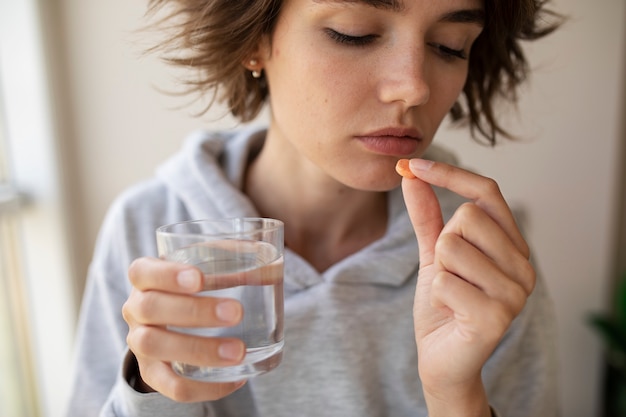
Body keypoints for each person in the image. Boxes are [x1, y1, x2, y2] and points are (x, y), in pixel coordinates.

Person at [66, 0, 562, 416]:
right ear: (255, 41)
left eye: (449, 46)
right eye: (355, 34)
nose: (415, 87)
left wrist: (456, 398)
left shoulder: (477, 250)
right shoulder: (149, 227)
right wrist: (154, 390)